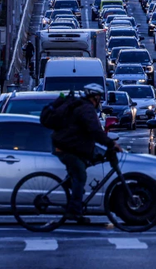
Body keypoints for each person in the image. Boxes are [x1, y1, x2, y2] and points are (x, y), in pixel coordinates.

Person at [48, 83, 122, 224]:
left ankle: (77, 202)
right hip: (65, 148)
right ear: (93, 97)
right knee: (80, 175)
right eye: (99, 97)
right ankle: (74, 211)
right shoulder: (86, 109)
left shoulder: (82, 107)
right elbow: (95, 131)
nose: (100, 100)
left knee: (83, 168)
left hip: (71, 146)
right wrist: (111, 143)